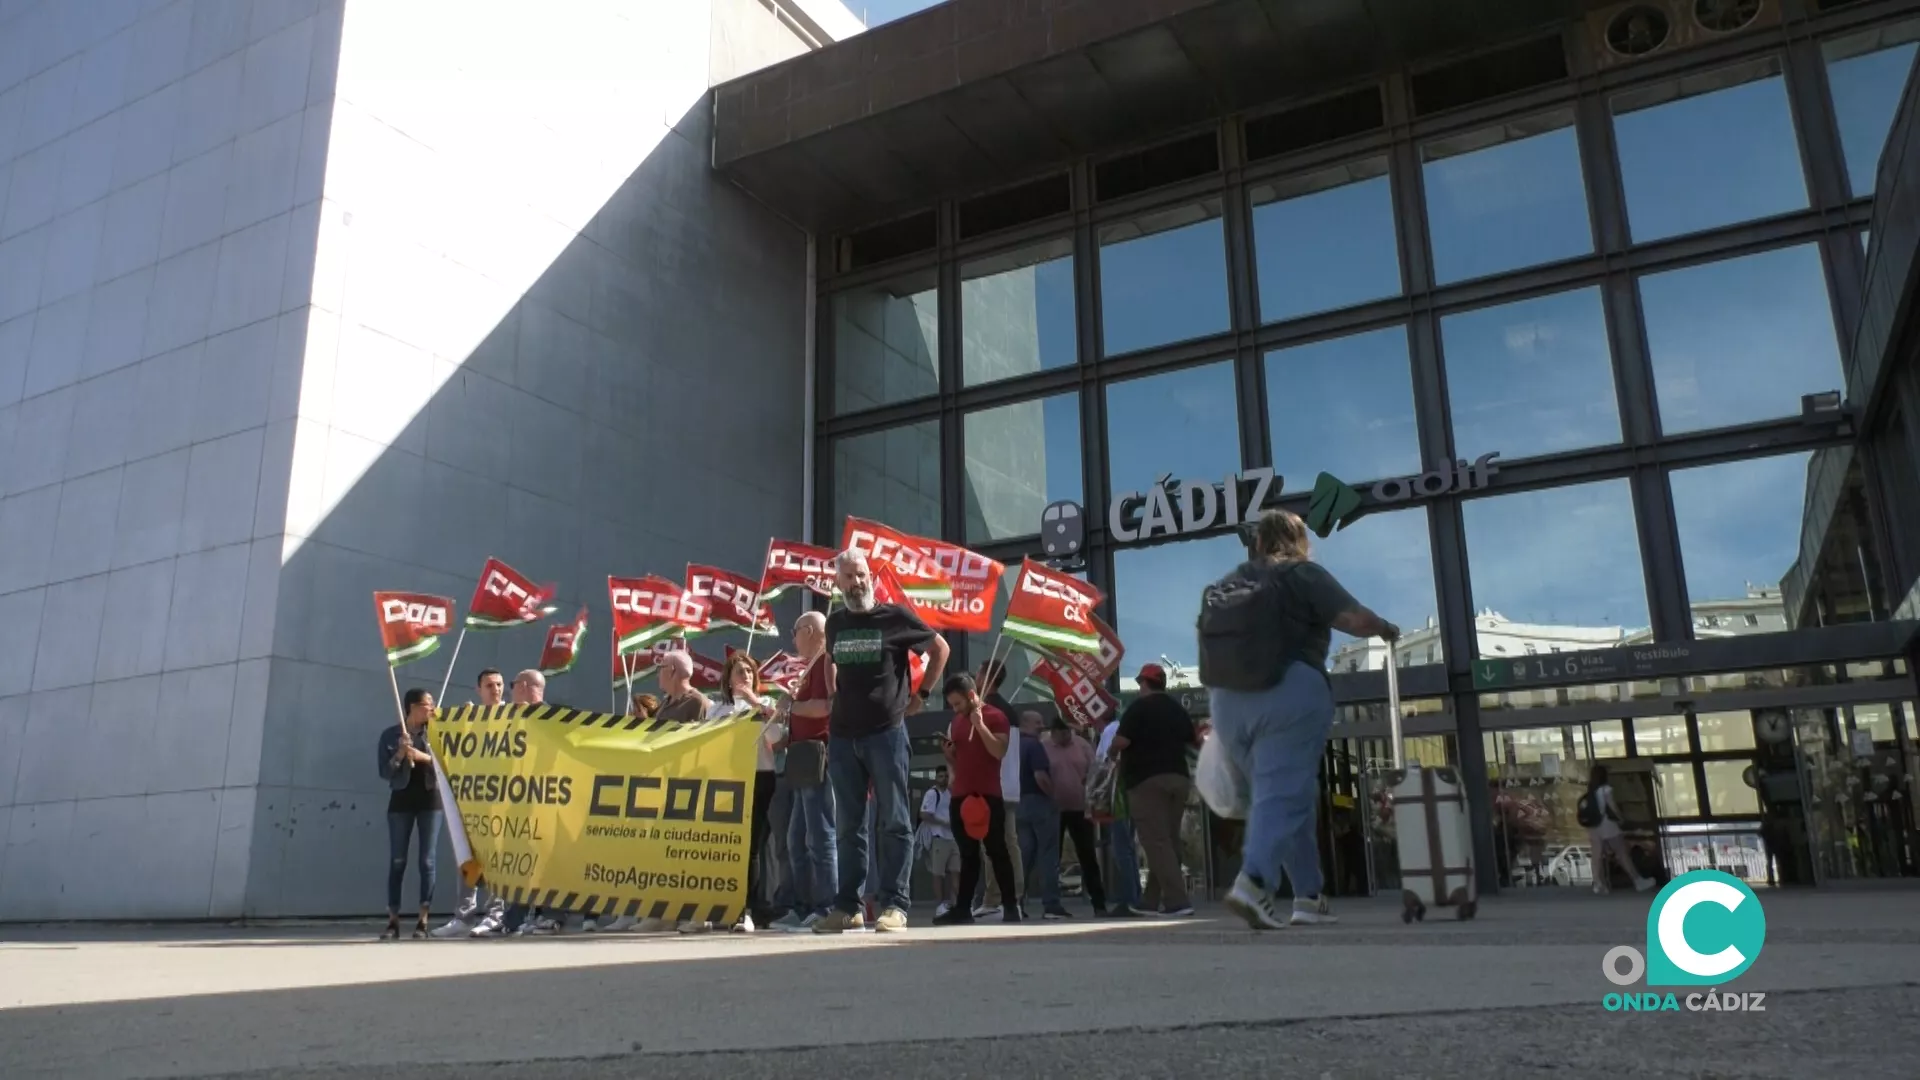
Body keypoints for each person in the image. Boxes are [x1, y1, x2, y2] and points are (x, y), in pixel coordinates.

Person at [1206, 509, 1400, 931]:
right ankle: (1254, 882)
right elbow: (1355, 620)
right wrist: (1385, 628)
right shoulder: (1302, 573)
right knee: (1284, 794)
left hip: (1227, 700)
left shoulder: (1228, 583)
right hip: (1288, 688)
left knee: (1288, 795)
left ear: (1257, 543)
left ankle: (1309, 896)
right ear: (1299, 541)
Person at [814, 550, 949, 934]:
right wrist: (831, 694)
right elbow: (829, 658)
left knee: (894, 821)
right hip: (842, 736)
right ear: (838, 583)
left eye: (861, 575)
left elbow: (940, 648)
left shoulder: (895, 617)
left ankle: (895, 905)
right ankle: (847, 907)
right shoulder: (836, 623)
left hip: (886, 734)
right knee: (848, 825)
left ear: (870, 576)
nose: (856, 583)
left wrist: (923, 696)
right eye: (848, 577)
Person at [681, 653, 783, 934]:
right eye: (740, 671)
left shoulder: (766, 705)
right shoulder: (716, 710)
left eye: (750, 671)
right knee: (716, 845)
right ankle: (707, 911)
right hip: (724, 782)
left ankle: (744, 911)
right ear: (728, 678)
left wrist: (754, 703)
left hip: (758, 779)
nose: (746, 676)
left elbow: (775, 737)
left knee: (749, 848)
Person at [474, 670, 564, 938]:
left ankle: (551, 916)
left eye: (511, 685)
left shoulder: (553, 715)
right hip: (521, 800)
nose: (509, 692)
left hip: (545, 800)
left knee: (546, 859)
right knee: (522, 862)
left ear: (524, 686)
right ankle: (514, 919)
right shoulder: (513, 717)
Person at [1109, 663, 1198, 917]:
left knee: (1156, 842)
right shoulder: (1177, 709)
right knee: (1168, 842)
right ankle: (1149, 901)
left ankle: (1178, 902)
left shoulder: (1138, 708)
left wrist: (1111, 751)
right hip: (1179, 779)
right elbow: (1192, 739)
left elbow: (1122, 741)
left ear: (1143, 683)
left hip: (1147, 781)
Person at [771, 612, 837, 932]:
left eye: (795, 631)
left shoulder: (825, 661)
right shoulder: (804, 668)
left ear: (810, 631)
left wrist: (790, 706)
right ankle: (802, 906)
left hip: (818, 757)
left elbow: (824, 708)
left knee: (819, 837)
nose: (793, 638)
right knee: (796, 839)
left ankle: (826, 906)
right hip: (799, 756)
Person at [934, 674, 1018, 925]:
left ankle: (1011, 906)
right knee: (968, 854)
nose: (956, 709)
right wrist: (949, 757)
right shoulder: (957, 722)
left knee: (997, 851)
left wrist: (980, 726)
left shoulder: (996, 717)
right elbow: (960, 763)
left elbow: (998, 751)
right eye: (952, 705)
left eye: (958, 703)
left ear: (972, 696)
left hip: (988, 795)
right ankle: (962, 909)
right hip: (961, 796)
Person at [433, 669, 507, 938]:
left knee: (496, 858)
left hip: (501, 800)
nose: (496, 689)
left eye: (499, 684)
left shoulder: (511, 717)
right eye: (489, 685)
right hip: (473, 799)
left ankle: (495, 914)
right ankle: (463, 916)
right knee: (468, 856)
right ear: (478, 690)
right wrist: (453, 722)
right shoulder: (471, 718)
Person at [377, 688, 441, 940]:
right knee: (397, 861)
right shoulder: (391, 735)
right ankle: (393, 920)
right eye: (427, 705)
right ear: (412, 708)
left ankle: (423, 920)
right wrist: (401, 753)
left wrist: (421, 755)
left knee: (427, 861)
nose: (431, 709)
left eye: (432, 704)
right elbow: (384, 772)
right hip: (401, 801)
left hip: (429, 800)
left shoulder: (436, 732)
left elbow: (447, 764)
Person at [975, 659, 1025, 918]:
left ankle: (999, 898)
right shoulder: (1009, 711)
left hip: (994, 785)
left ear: (987, 677)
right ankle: (1008, 896)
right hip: (1009, 785)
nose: (975, 677)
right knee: (1007, 842)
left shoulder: (988, 711)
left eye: (979, 672)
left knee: (995, 845)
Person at [1045, 715, 1107, 916]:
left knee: (1087, 855)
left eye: (1066, 733)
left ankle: (1099, 903)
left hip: (1080, 808)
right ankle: (1052, 904)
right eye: (1059, 733)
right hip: (1054, 810)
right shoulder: (1044, 746)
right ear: (1052, 732)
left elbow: (1096, 770)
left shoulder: (1082, 745)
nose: (1063, 737)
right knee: (1052, 857)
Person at [1014, 710, 1068, 920]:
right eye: (1037, 722)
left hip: (1019, 803)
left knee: (1023, 857)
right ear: (1026, 723)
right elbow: (1040, 776)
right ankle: (1051, 905)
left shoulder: (1014, 746)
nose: (1042, 725)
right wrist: (1053, 796)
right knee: (1048, 854)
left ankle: (1016, 902)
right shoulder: (1034, 745)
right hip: (1039, 802)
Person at [1094, 711, 1145, 916]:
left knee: (1122, 847)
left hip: (1119, 793)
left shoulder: (1111, 730)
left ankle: (1129, 898)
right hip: (1130, 790)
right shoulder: (1119, 728)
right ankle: (1134, 896)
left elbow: (1105, 761)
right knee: (1128, 848)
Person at [1585, 765, 1653, 895]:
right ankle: (1638, 881)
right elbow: (1613, 807)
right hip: (1607, 824)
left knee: (1597, 855)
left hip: (1594, 826)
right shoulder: (1606, 789)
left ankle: (1598, 884)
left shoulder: (1590, 790)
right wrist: (1621, 819)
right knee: (1621, 853)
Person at [918, 767, 960, 917]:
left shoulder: (951, 793)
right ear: (936, 778)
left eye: (946, 776)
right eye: (941, 776)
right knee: (938, 873)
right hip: (939, 838)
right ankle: (941, 904)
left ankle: (958, 903)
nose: (943, 779)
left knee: (956, 871)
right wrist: (943, 822)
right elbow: (924, 814)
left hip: (953, 838)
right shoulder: (932, 793)